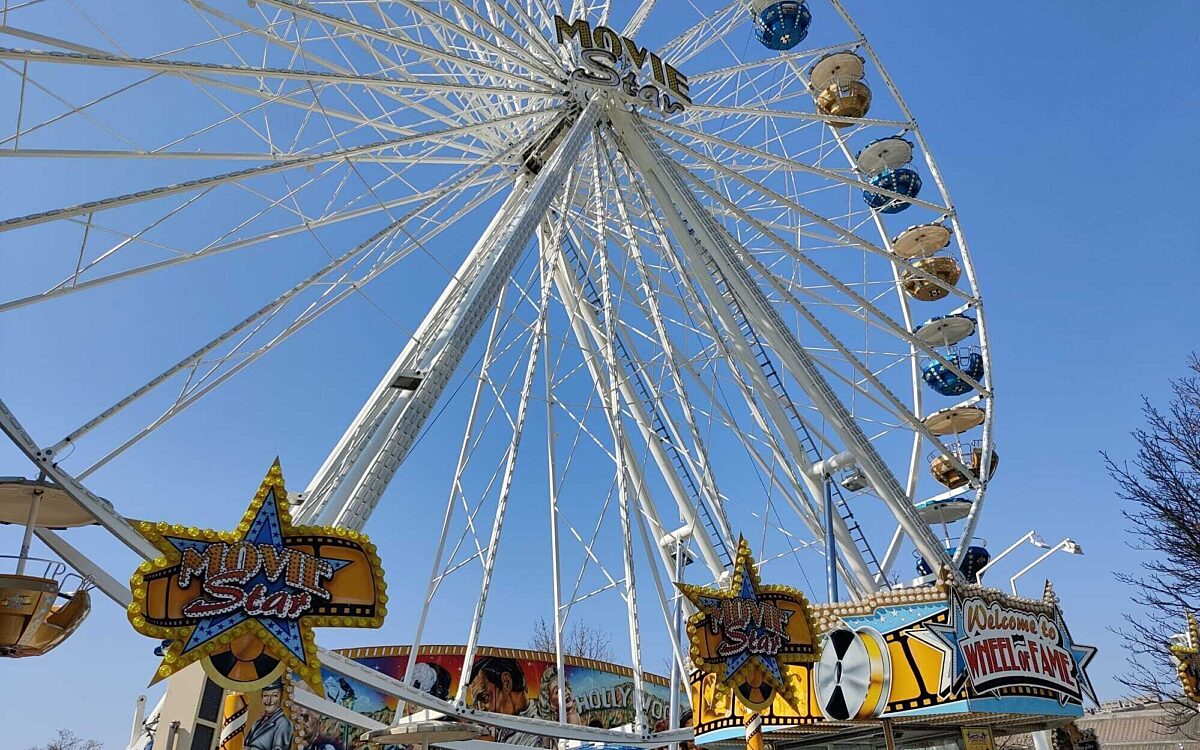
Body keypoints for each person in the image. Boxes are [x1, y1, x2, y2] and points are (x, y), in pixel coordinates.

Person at [245, 680, 293, 750]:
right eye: (265, 695)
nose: (269, 701)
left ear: (281, 697)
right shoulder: (256, 723)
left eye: (274, 695)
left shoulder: (284, 724)